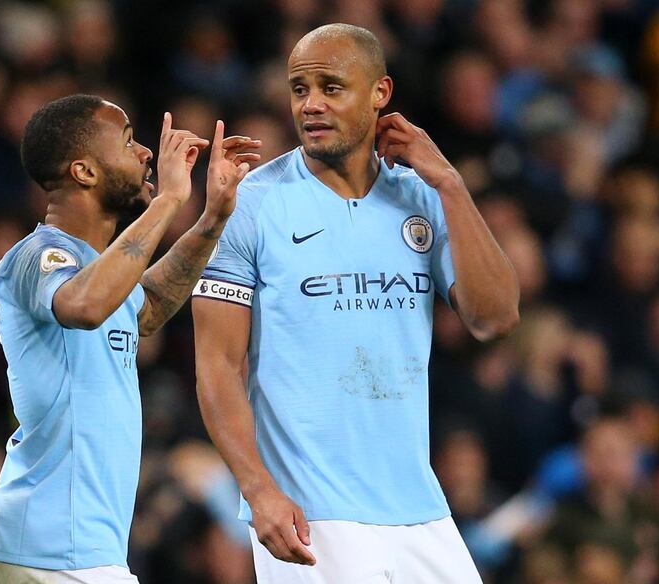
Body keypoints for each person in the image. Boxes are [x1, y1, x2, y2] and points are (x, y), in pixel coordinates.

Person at [192, 24, 520, 583]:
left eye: (331, 87)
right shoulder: (252, 204)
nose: (311, 105)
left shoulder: (420, 196)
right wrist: (259, 490)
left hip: (419, 508)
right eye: (299, 89)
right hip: (310, 513)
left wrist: (450, 185)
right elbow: (218, 365)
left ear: (380, 93)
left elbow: (494, 317)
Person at [0, 94, 259, 583]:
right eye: (129, 142)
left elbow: (145, 308)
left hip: (73, 544)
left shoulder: (100, 272)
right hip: (52, 544)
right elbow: (84, 307)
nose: (147, 152)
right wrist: (168, 199)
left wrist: (212, 219)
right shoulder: (37, 256)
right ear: (83, 172)